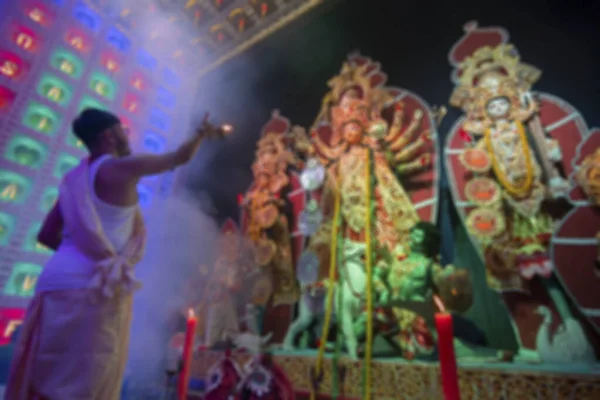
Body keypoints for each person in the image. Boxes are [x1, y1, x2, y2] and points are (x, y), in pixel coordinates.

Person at [5, 108, 227, 400]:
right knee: (86, 380)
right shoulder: (119, 168)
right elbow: (178, 158)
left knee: (48, 376)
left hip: (54, 285)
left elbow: (47, 235)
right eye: (122, 128)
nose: (127, 134)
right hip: (95, 288)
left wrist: (82, 252)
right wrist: (200, 133)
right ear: (108, 136)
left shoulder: (76, 180)